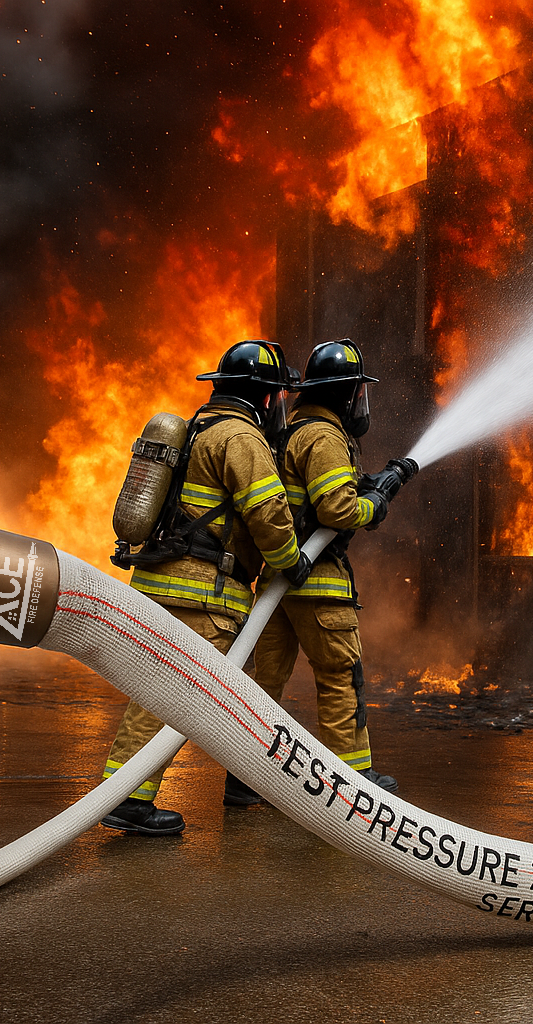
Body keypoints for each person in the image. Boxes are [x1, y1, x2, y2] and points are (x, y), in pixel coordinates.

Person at [100, 340, 310, 835]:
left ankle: (237, 781)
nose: (280, 405)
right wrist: (290, 561)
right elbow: (267, 513)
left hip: (160, 583)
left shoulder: (196, 430)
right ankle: (129, 798)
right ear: (263, 397)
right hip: (201, 595)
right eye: (277, 395)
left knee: (185, 693)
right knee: (174, 696)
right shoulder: (241, 438)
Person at [249, 339, 398, 798]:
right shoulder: (325, 436)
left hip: (279, 582)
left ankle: (243, 779)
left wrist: (367, 482)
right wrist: (374, 504)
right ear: (346, 393)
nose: (360, 401)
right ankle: (356, 781)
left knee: (261, 686)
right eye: (357, 391)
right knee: (339, 675)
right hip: (317, 582)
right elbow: (336, 508)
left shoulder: (294, 430)